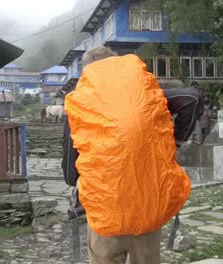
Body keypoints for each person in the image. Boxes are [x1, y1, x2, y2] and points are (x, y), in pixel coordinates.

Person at [62, 47, 203, 263]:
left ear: (87, 71)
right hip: (147, 206)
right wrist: (173, 144)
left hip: (106, 210)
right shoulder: (145, 93)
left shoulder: (79, 102)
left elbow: (71, 175)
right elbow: (191, 99)